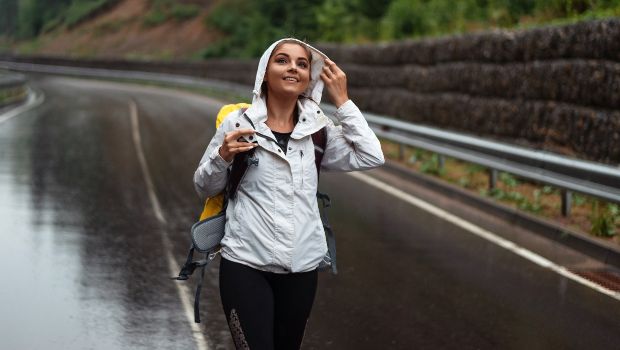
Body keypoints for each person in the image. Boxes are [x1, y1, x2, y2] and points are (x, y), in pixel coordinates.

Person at [193, 38, 384, 350]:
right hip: (245, 265)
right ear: (264, 73)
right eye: (282, 60)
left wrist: (343, 102)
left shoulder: (319, 132)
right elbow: (205, 185)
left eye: (302, 63)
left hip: (302, 269)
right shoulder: (237, 124)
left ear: (310, 77)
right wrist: (223, 156)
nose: (293, 67)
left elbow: (371, 155)